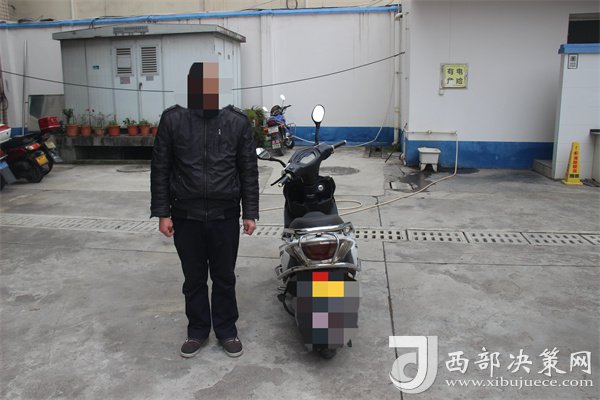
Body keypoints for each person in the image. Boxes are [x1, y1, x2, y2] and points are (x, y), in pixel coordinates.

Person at [150, 62, 259, 358]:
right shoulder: (173, 120)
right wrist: (163, 213)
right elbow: (161, 168)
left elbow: (248, 170)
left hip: (225, 215)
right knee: (194, 279)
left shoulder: (237, 122)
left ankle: (226, 330)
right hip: (186, 216)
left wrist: (249, 212)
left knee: (224, 277)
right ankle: (197, 330)